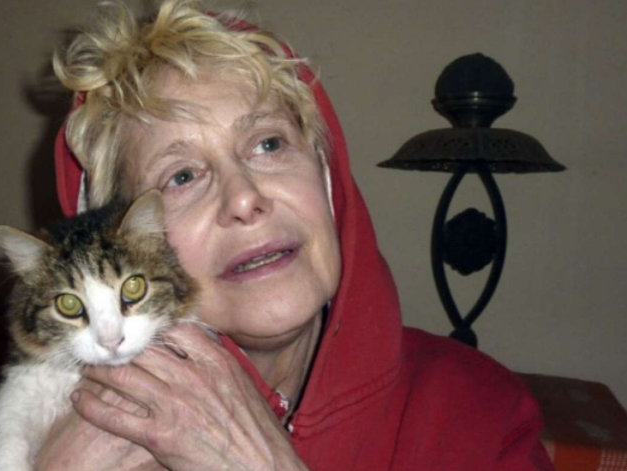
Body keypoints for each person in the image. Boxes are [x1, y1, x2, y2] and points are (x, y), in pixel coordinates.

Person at [32, 1, 557, 469]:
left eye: (269, 144)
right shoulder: (53, 438)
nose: (244, 198)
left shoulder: (481, 416)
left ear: (327, 178)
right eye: (182, 176)